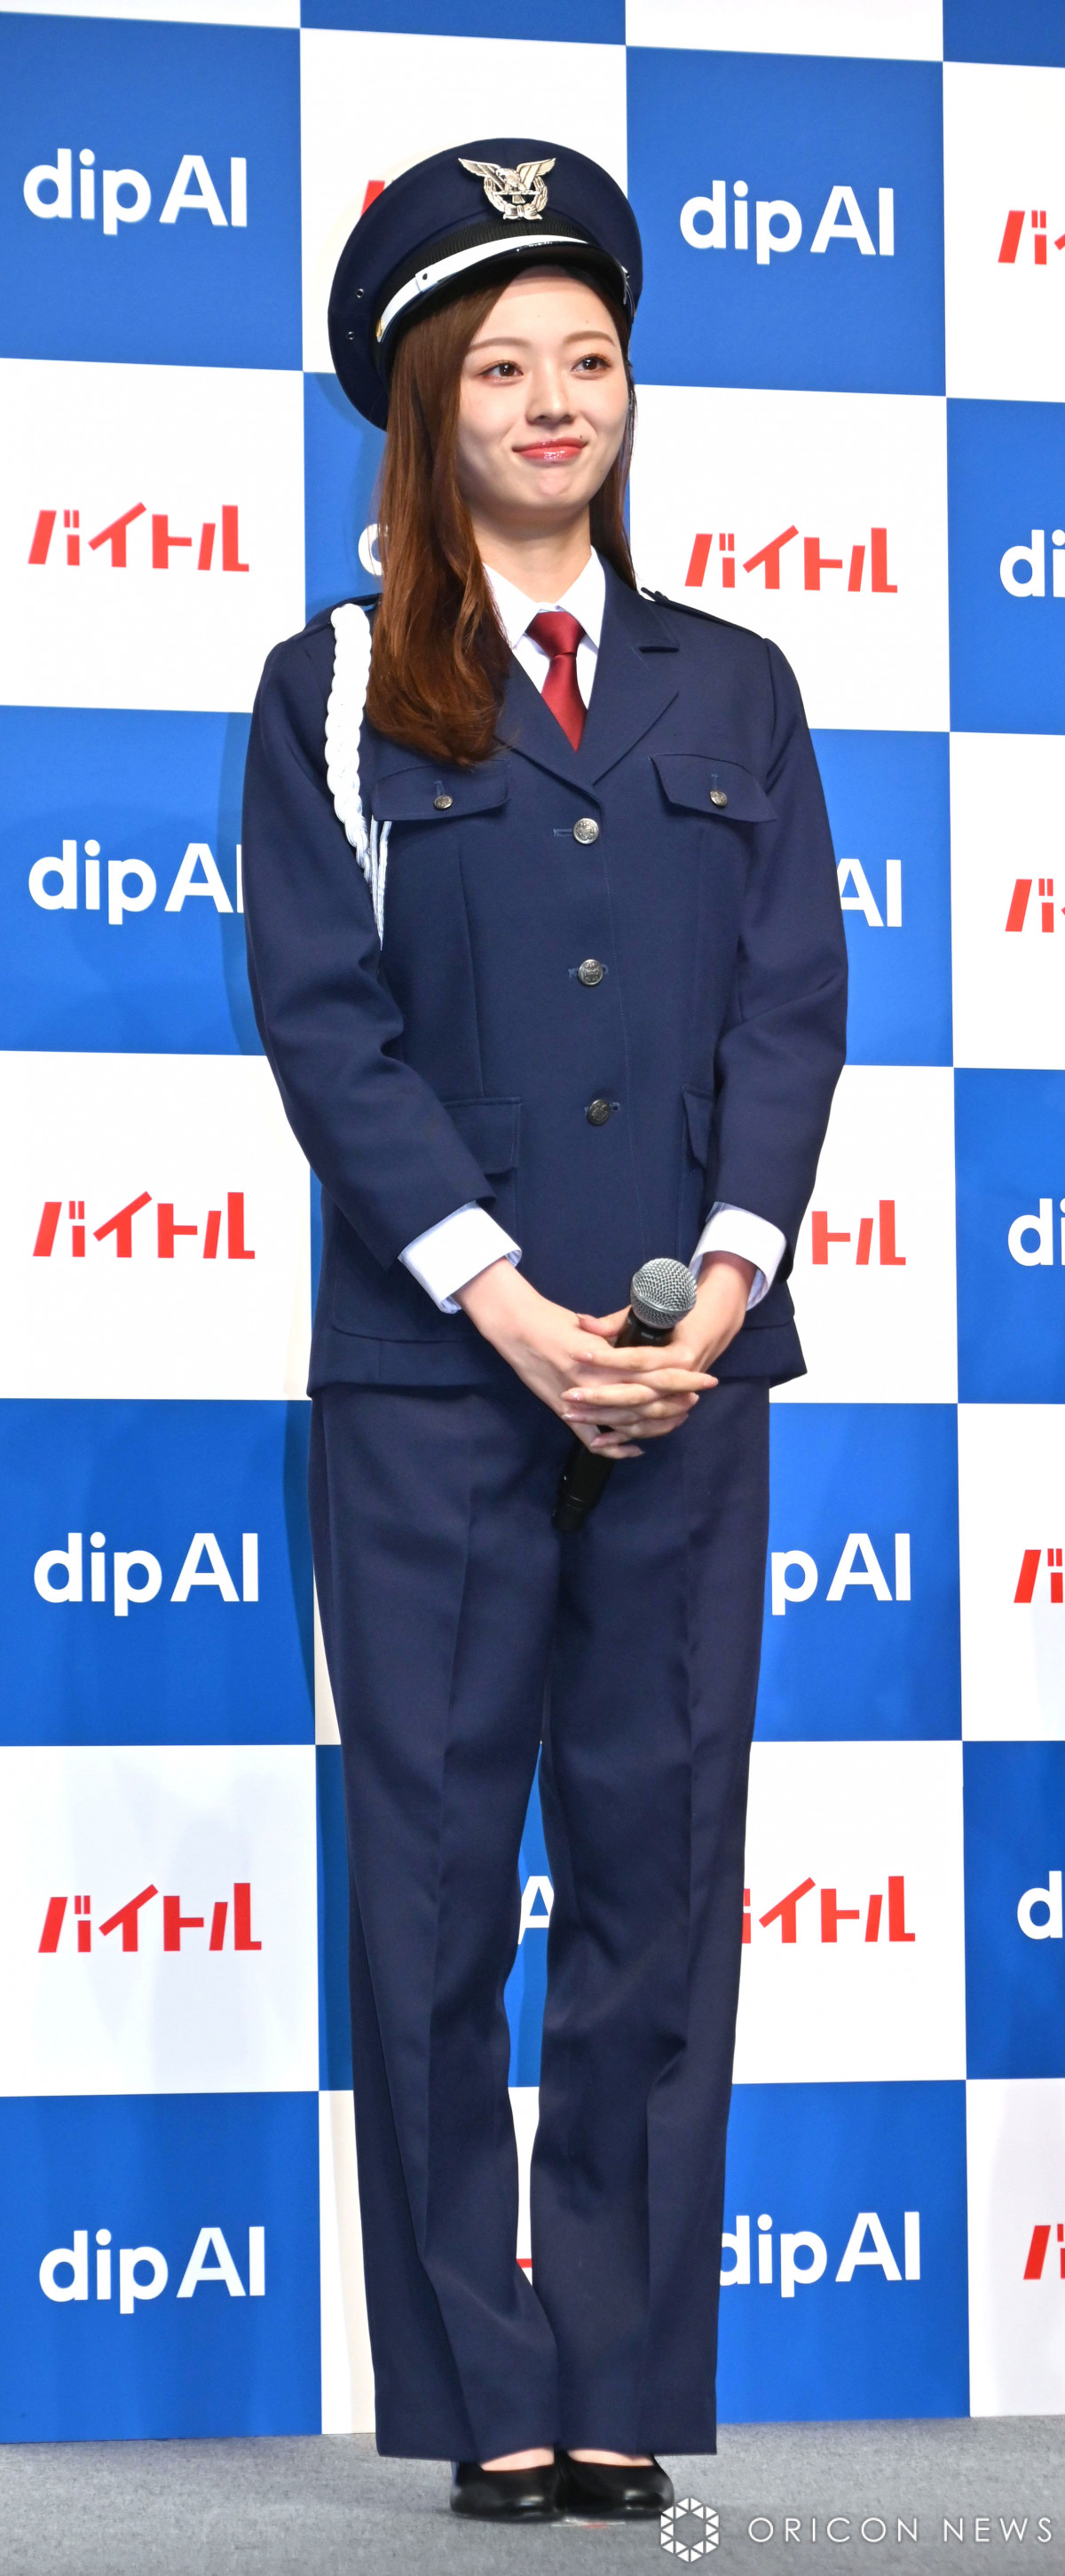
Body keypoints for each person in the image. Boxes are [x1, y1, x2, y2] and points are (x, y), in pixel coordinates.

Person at [241, 138, 847, 2523]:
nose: (555, 399)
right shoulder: (330, 690)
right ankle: (479, 2388)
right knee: (427, 1887)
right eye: (501, 366)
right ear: (424, 404)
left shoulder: (739, 684)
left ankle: (615, 2377)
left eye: (587, 356)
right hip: (434, 1386)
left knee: (659, 1878)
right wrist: (505, 1306)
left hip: (693, 1374)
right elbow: (329, 1032)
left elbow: (790, 1012)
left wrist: (724, 1286)